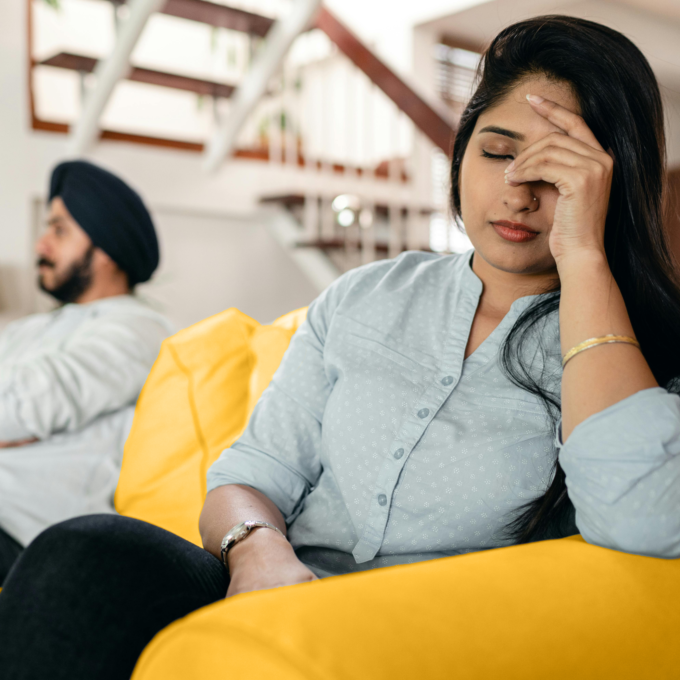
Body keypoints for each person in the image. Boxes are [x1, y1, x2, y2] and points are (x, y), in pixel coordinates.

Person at [2, 15, 680, 679]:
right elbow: (252, 471)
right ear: (462, 150)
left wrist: (585, 254)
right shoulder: (366, 296)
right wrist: (256, 551)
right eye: (498, 152)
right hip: (270, 588)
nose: (518, 191)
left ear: (609, 184)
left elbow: (646, 521)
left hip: (416, 632)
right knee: (84, 554)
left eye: (558, 171)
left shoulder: (639, 350)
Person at [0, 160, 173, 584]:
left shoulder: (139, 329)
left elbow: (27, 404)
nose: (41, 244)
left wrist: (18, 418)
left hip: (27, 532)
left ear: (108, 248)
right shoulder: (29, 328)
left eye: (59, 230)